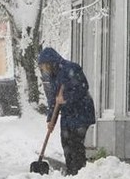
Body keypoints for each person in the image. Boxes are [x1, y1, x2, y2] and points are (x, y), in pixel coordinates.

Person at [37, 47, 95, 176]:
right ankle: (71, 171)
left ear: (50, 62)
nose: (44, 70)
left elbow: (83, 88)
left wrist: (66, 98)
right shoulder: (53, 76)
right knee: (66, 142)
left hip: (81, 112)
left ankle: (79, 172)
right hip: (68, 114)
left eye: (44, 66)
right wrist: (50, 119)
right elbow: (54, 100)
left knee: (75, 144)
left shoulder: (71, 68)